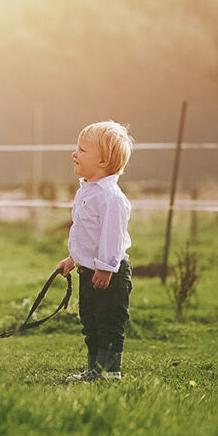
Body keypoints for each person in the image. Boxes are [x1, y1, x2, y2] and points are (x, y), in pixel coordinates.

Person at [55, 120, 134, 381]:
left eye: (82, 149)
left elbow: (112, 237)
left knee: (108, 322)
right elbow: (86, 234)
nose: (74, 153)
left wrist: (106, 267)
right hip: (90, 270)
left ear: (103, 161)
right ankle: (94, 371)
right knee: (90, 321)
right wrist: (74, 259)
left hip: (109, 274)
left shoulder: (111, 197)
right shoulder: (87, 190)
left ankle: (109, 372)